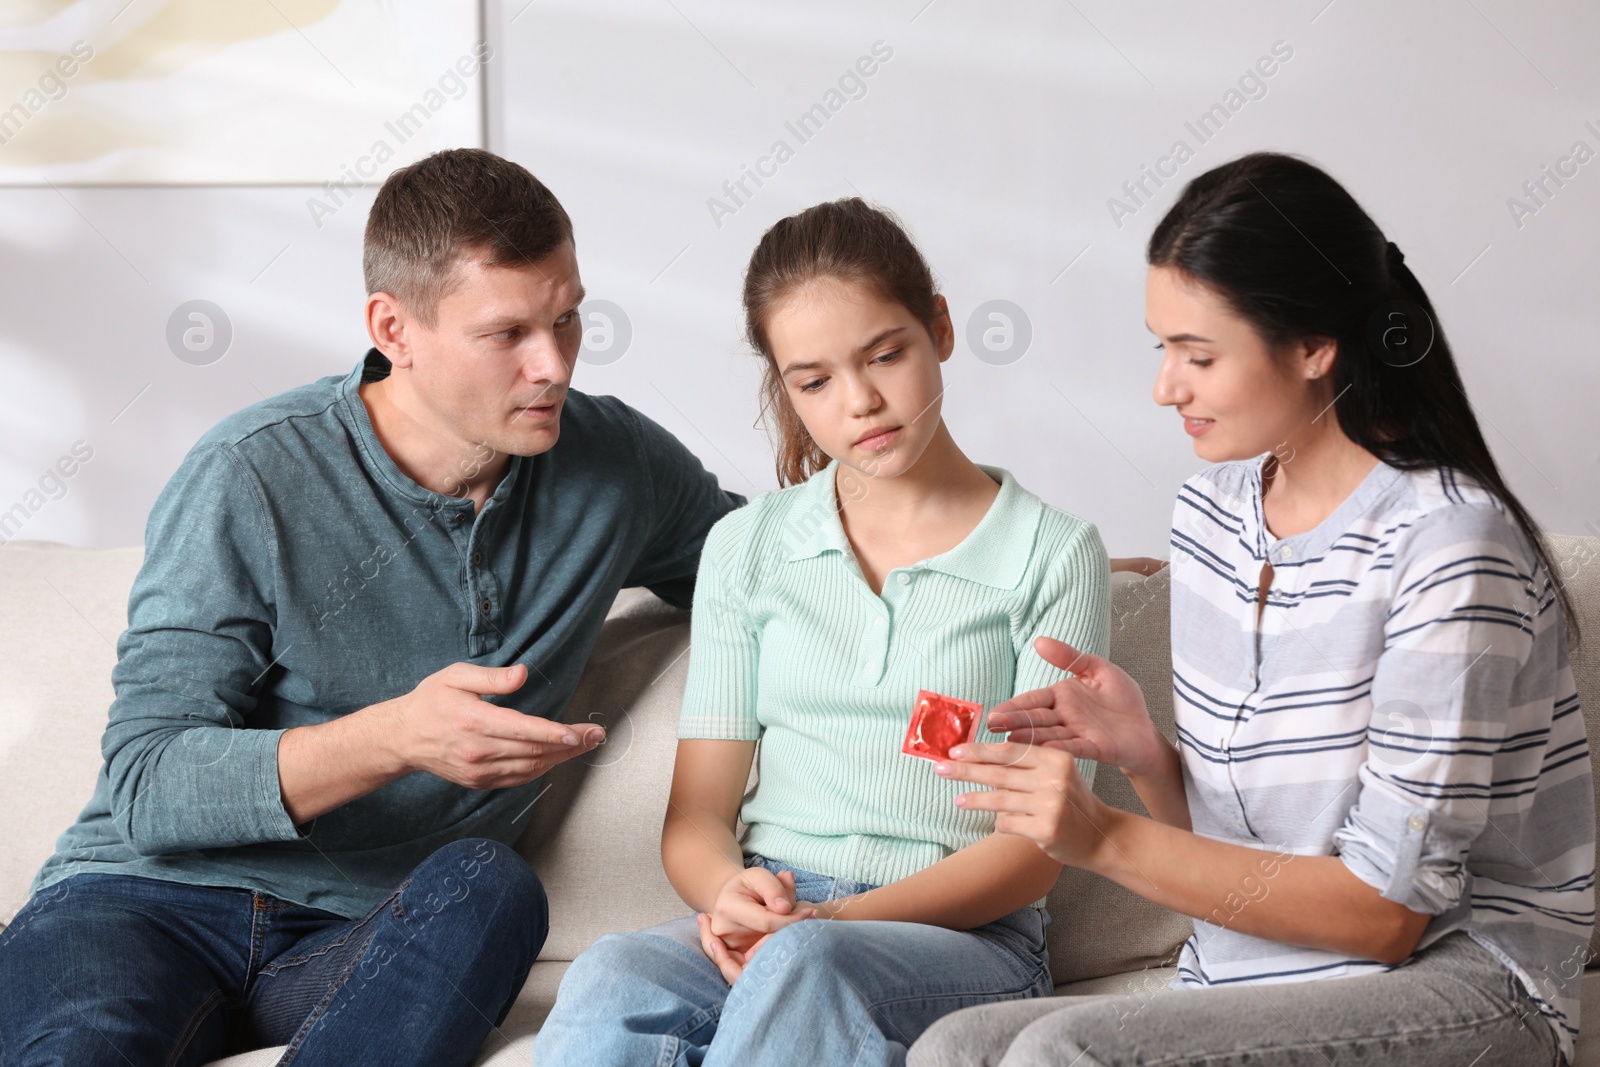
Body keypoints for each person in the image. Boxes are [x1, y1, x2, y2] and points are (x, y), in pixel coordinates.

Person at [0, 148, 743, 1066]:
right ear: (394, 328)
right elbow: (148, 782)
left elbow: (777, 564)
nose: (552, 364)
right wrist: (398, 737)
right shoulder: (252, 473)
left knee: (491, 883)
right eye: (506, 333)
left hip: (362, 936)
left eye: (568, 318)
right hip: (142, 903)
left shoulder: (615, 466)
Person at [915, 152, 1592, 1067]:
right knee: (955, 1047)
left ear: (1316, 346)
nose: (1166, 387)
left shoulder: (1447, 546)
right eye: (1162, 348)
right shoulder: (1210, 516)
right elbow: (1237, 870)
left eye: (1198, 354)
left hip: (1463, 982)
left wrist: (1103, 835)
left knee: (1062, 1053)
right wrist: (1151, 759)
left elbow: (1386, 915)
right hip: (1254, 973)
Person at [532, 198, 1127, 1065]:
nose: (862, 403)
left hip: (965, 934)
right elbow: (698, 814)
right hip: (785, 908)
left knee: (807, 966)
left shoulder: (1054, 553)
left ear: (941, 330)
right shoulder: (746, 547)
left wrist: (831, 923)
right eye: (813, 381)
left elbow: (1034, 853)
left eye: (886, 354)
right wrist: (734, 897)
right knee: (616, 972)